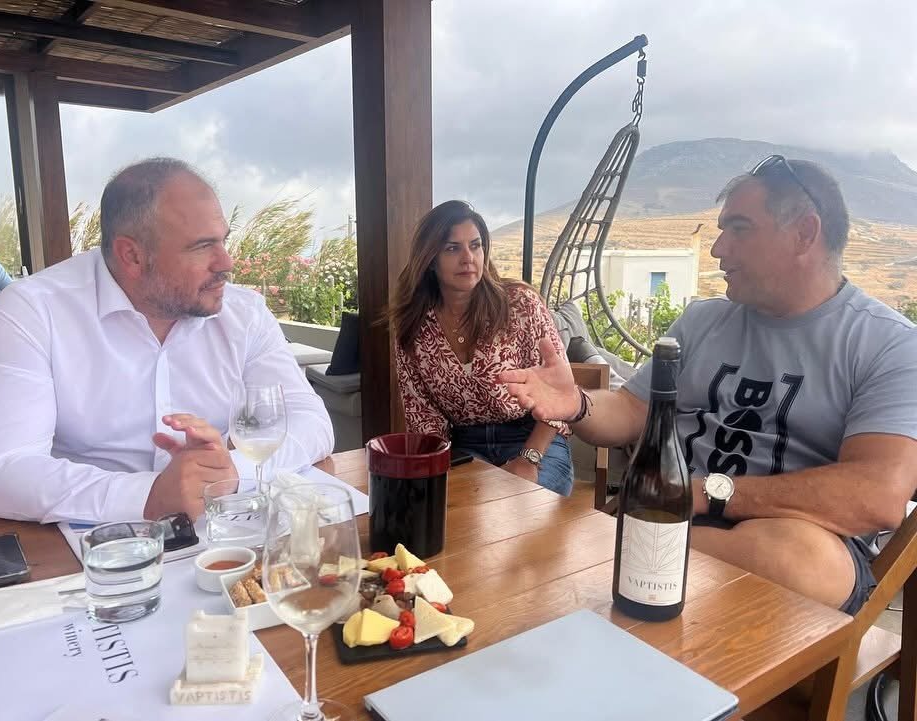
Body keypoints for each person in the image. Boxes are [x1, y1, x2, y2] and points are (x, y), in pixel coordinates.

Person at [501, 156, 917, 614]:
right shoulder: (702, 322)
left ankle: (628, 555)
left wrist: (704, 494)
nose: (718, 249)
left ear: (804, 233)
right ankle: (633, 561)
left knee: (796, 556)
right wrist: (577, 404)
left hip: (781, 541)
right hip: (671, 518)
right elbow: (630, 411)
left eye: (739, 229)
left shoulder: (888, 345)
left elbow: (877, 495)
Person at [0, 158, 334, 523]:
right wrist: (150, 494)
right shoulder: (34, 311)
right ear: (132, 255)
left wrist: (228, 472)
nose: (226, 263)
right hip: (93, 541)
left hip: (224, 531)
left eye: (223, 240)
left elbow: (310, 421)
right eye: (202, 246)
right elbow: (0, 472)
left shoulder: (244, 313)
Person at [391, 200, 574, 495]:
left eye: (475, 246)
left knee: (515, 505)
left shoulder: (520, 305)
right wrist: (433, 473)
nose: (468, 258)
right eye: (453, 248)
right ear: (430, 259)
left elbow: (558, 393)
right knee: (439, 505)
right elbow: (423, 414)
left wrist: (529, 458)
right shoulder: (414, 326)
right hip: (464, 445)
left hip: (533, 439)